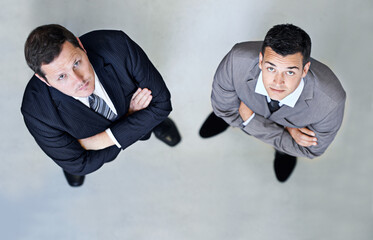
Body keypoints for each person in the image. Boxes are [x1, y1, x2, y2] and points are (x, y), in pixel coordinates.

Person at [21, 24, 181, 187]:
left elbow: (161, 105)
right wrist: (131, 118)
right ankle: (148, 124)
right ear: (43, 80)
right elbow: (79, 164)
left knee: (152, 109)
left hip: (114, 121)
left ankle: (154, 125)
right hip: (131, 114)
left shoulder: (118, 45)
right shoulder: (36, 112)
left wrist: (91, 143)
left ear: (81, 45)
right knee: (73, 163)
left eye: (76, 63)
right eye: (62, 76)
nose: (79, 80)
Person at [199, 24, 346, 182]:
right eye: (271, 69)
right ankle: (232, 124)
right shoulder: (237, 60)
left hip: (245, 109)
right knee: (224, 114)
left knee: (289, 149)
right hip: (241, 111)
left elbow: (310, 151)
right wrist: (287, 131)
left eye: (290, 72)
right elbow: (223, 109)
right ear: (261, 61)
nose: (278, 82)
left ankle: (283, 150)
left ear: (305, 70)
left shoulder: (331, 102)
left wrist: (249, 119)